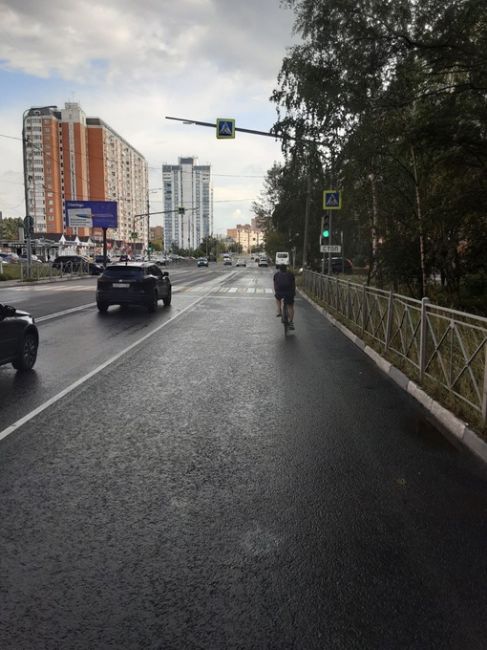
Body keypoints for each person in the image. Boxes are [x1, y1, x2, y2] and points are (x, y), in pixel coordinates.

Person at [273, 263, 296, 329]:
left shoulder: (276, 275)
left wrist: (276, 292)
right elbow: (293, 284)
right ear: (286, 268)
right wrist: (293, 293)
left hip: (279, 292)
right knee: (290, 306)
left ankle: (279, 311)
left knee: (277, 299)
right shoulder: (291, 274)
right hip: (289, 293)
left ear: (279, 269)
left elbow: (275, 285)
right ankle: (291, 322)